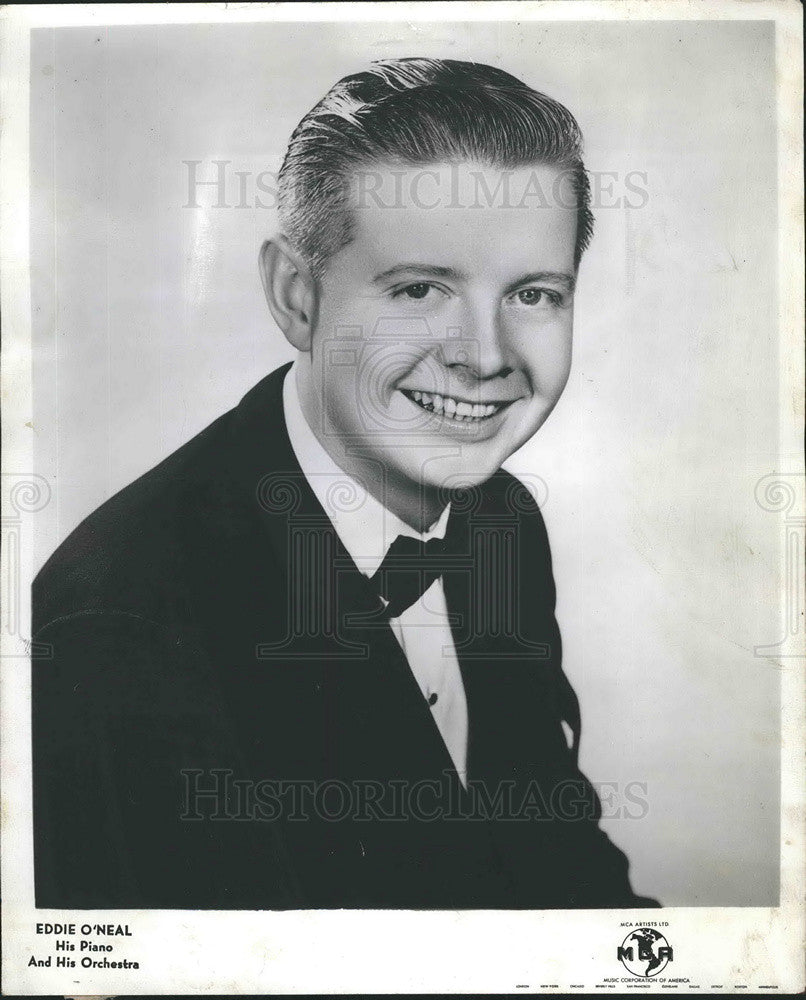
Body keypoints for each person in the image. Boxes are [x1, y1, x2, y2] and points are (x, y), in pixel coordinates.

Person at [32, 58, 657, 909]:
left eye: (535, 294)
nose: (484, 355)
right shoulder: (119, 623)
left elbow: (552, 853)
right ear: (297, 297)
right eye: (420, 288)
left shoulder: (499, 516)